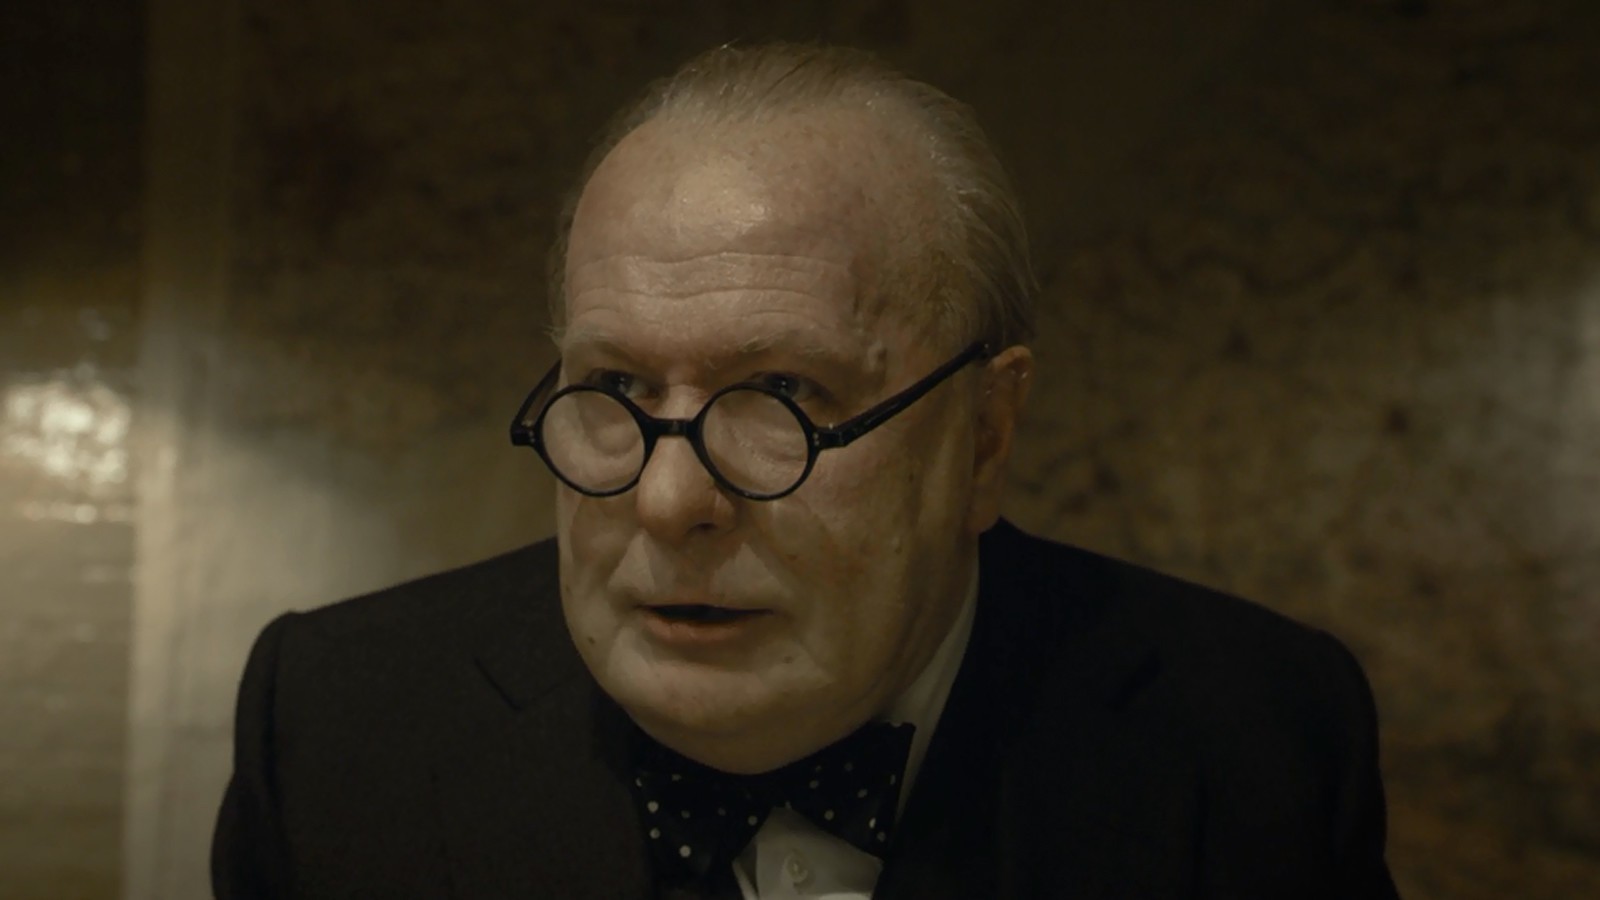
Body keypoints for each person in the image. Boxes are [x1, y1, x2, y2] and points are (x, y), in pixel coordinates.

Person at [212, 42, 1400, 899]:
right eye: (617, 386)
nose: (669, 501)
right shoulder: (334, 725)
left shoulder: (1254, 739)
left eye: (783, 395)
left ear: (985, 434)